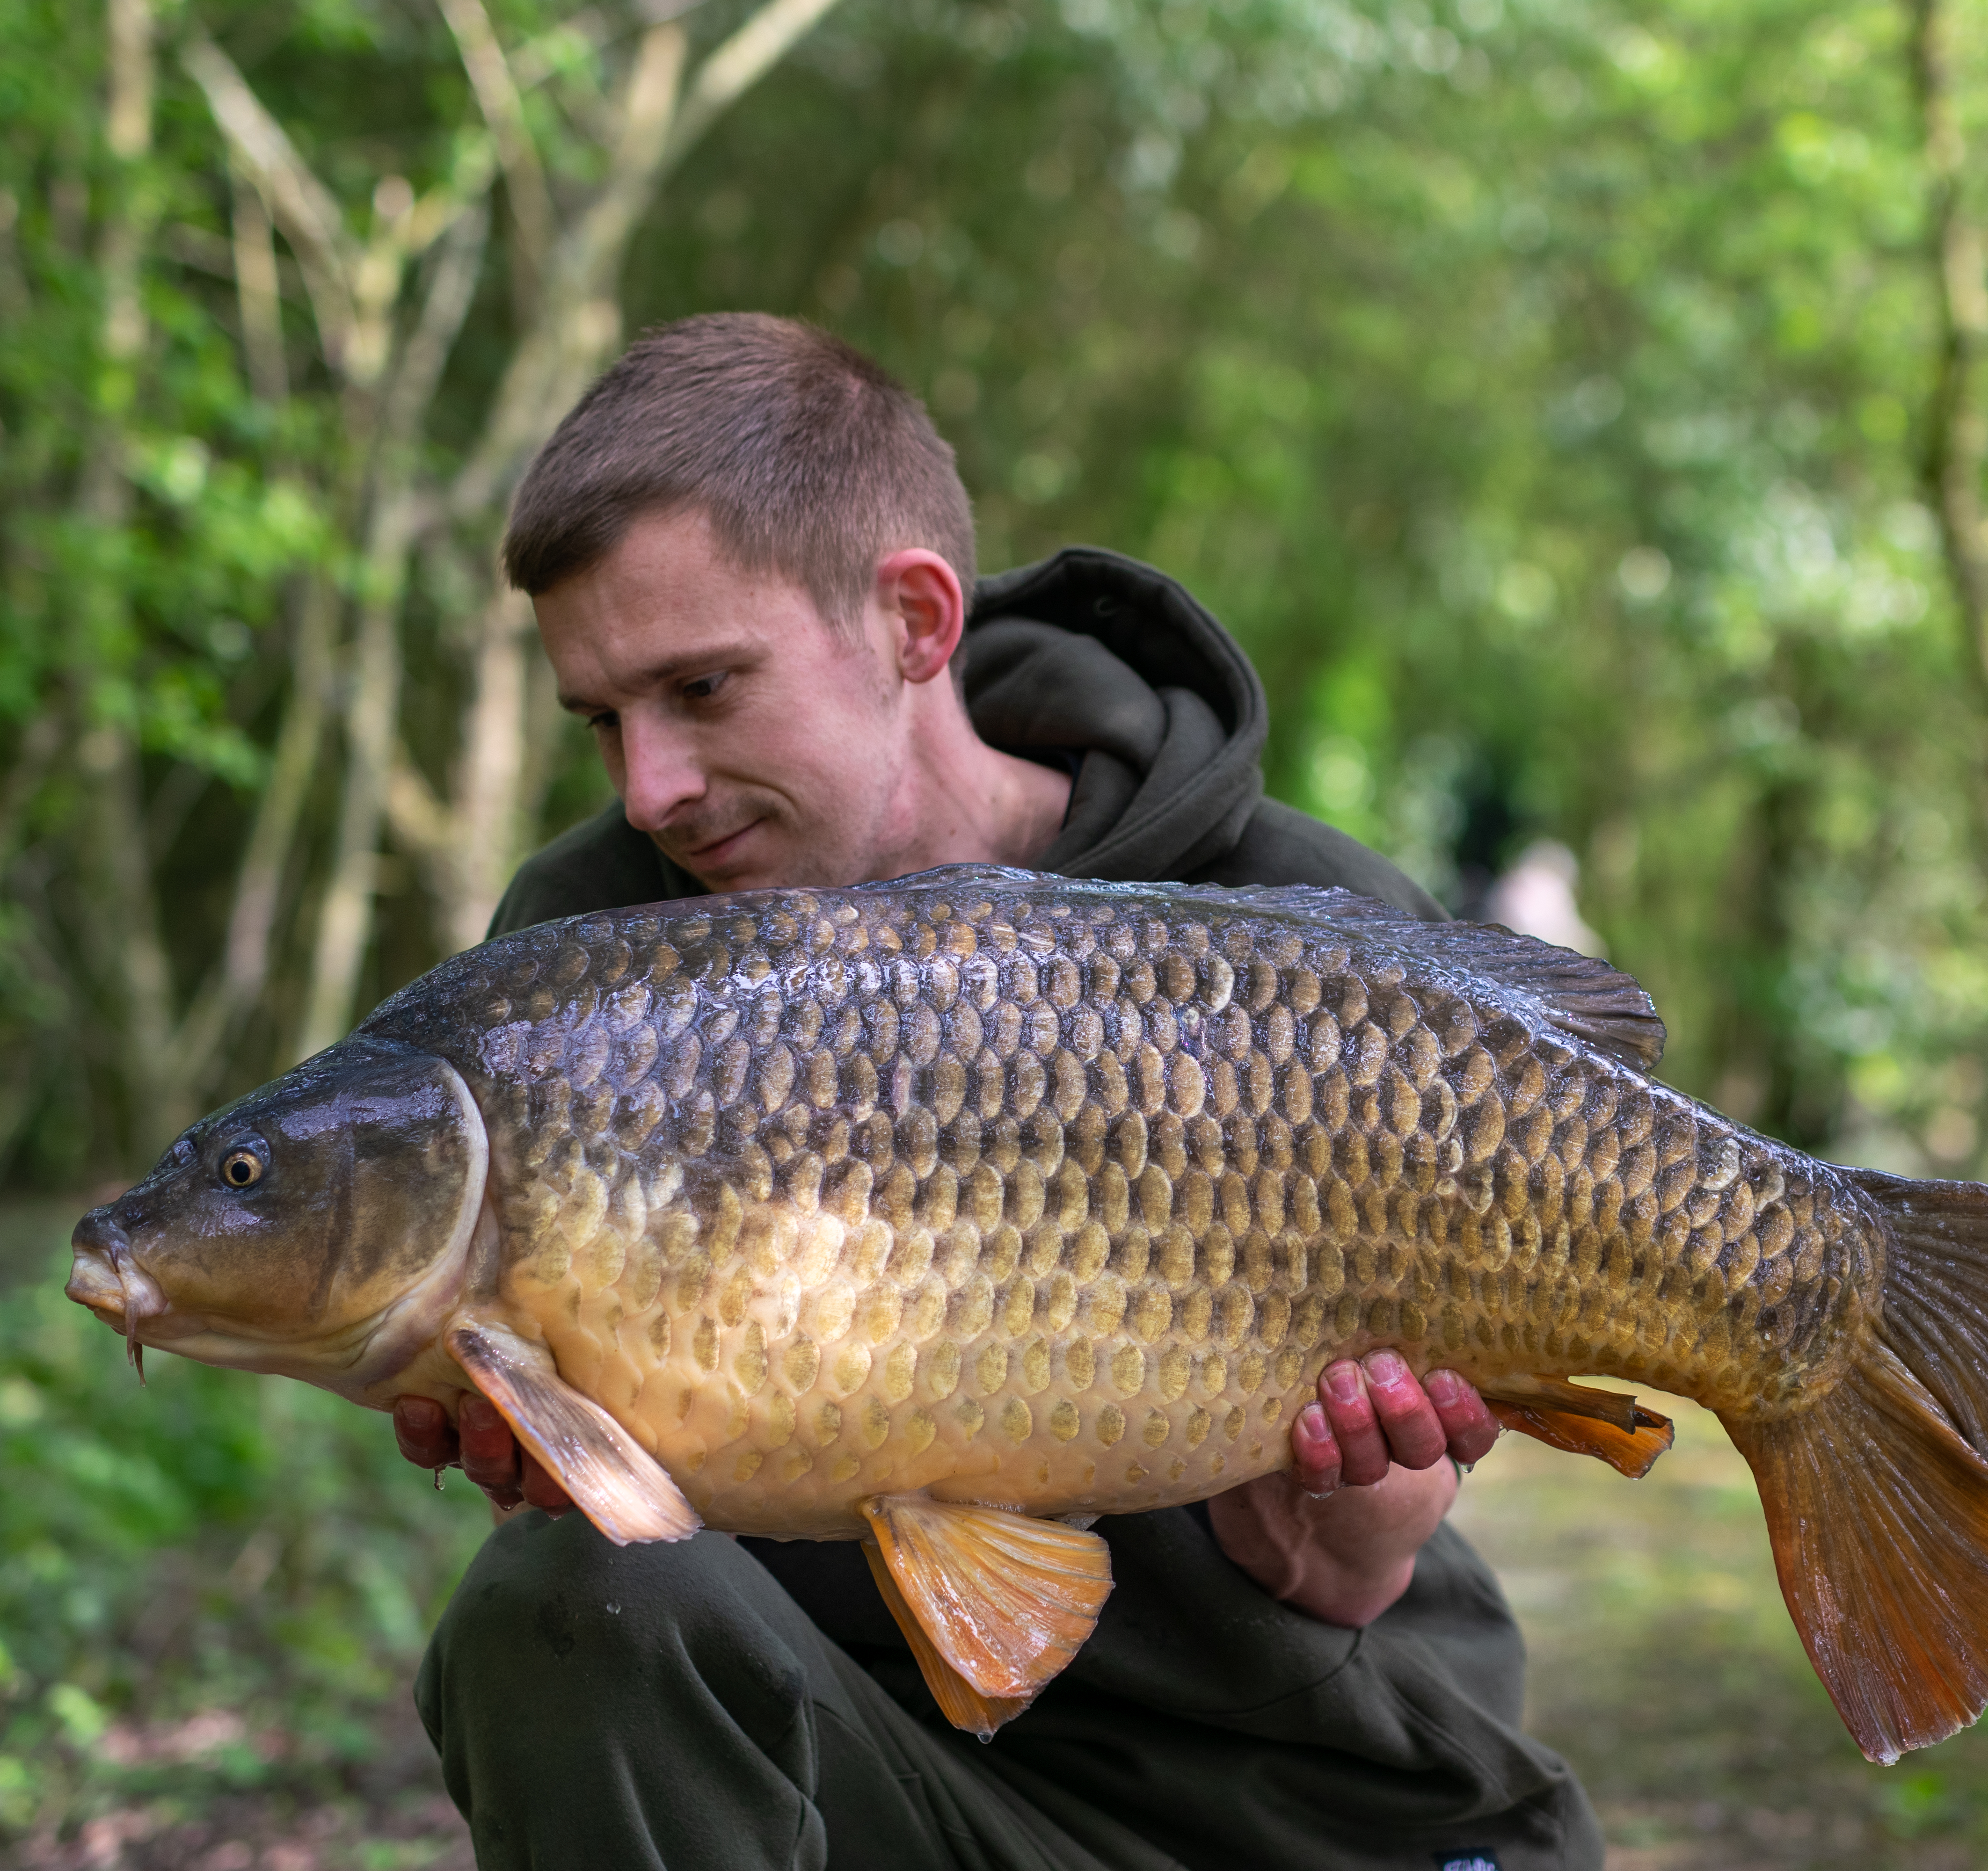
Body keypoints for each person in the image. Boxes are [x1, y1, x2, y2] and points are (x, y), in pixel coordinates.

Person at [392, 313, 1605, 1870]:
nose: (650, 788)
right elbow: (623, 1604)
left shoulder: (1290, 916)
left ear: (912, 618)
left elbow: (1342, 1582)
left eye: (702, 689)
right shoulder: (587, 959)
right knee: (554, 1606)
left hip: (1313, 1804)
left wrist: (1356, 1475)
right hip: (876, 1790)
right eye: (602, 720)